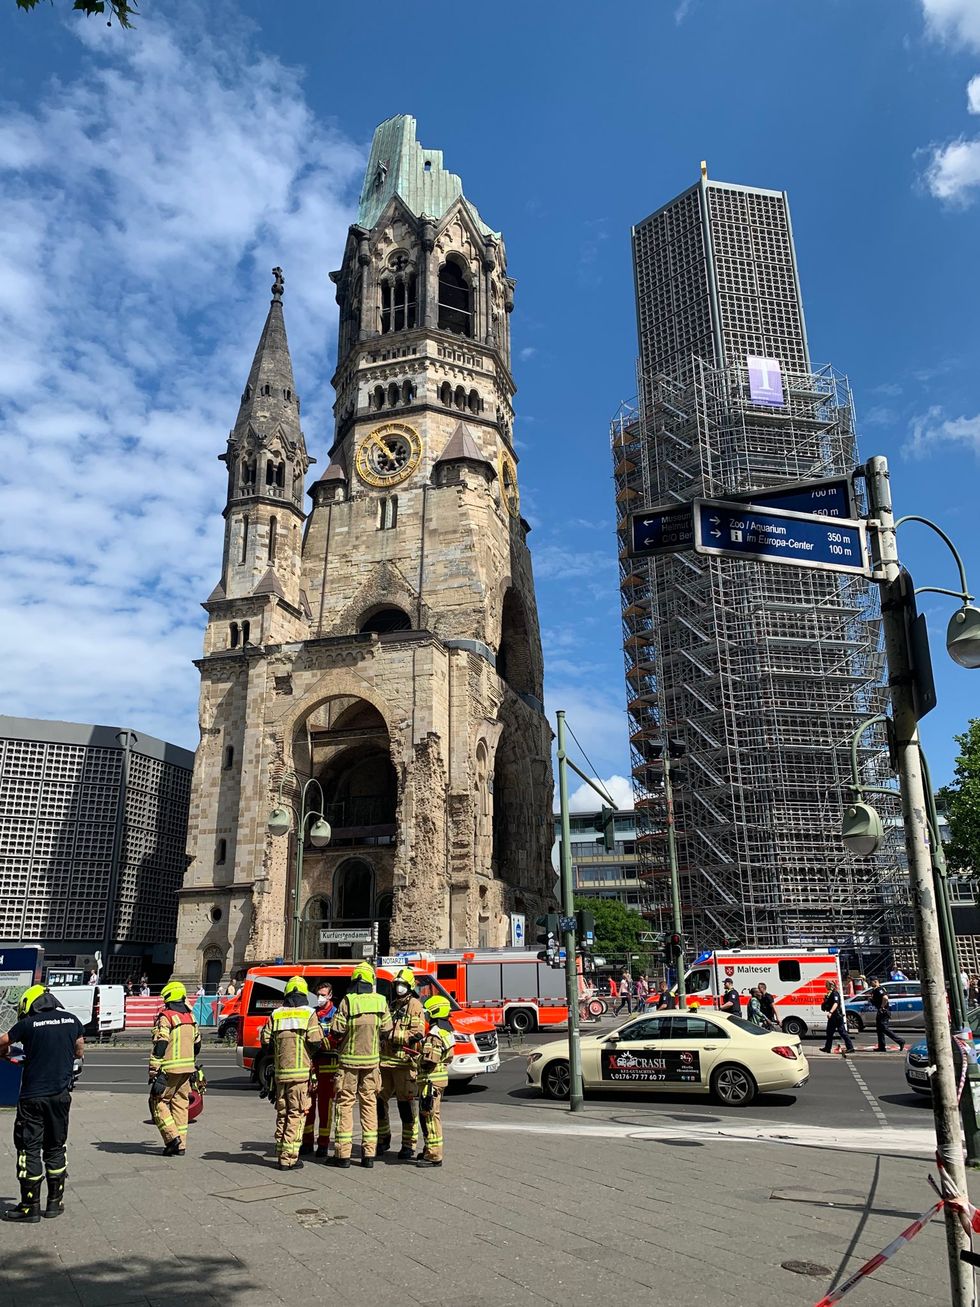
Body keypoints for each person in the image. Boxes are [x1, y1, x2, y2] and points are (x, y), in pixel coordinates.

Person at [0, 986, 84, 1223]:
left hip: (32, 1098)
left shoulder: (28, 1024)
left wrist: (6, 1053)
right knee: (56, 1146)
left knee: (29, 1149)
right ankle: (55, 1204)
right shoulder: (72, 1020)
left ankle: (30, 1207)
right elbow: (79, 1051)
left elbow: (3, 1042)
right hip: (60, 1096)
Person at [329, 962, 392, 1169]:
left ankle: (343, 1155)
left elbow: (336, 1029)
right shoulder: (381, 1001)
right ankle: (368, 1155)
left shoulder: (349, 1001)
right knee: (369, 1105)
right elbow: (387, 1029)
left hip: (348, 1062)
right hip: (372, 1062)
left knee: (345, 1105)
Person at [259, 975, 323, 1171]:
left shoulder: (276, 1014)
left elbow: (265, 1041)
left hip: (280, 1074)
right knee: (297, 1113)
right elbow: (316, 1041)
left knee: (282, 1113)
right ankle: (289, 1158)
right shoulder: (308, 1014)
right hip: (300, 1074)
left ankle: (280, 1151)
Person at [148, 980, 201, 1157]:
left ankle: (172, 1138)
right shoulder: (191, 1018)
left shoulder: (167, 1016)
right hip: (187, 1068)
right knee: (181, 1104)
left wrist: (155, 1068)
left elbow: (161, 1043)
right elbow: (197, 1045)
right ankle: (182, 1145)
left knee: (157, 1101)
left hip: (169, 1069)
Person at [377, 967, 425, 1161]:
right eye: (397, 985)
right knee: (379, 1100)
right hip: (386, 1063)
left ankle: (408, 1145)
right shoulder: (393, 1005)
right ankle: (383, 1137)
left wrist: (394, 1036)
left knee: (406, 1106)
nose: (399, 988)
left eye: (402, 985)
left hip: (405, 1064)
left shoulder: (415, 1006)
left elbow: (418, 1032)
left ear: (410, 987)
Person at [416, 994, 455, 1168]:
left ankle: (433, 1155)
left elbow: (430, 1059)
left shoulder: (435, 1034)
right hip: (439, 1080)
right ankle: (429, 1149)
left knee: (430, 1117)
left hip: (430, 1081)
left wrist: (417, 1058)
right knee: (430, 1115)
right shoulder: (447, 1031)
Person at [301, 983, 337, 1159]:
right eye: (318, 994)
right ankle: (307, 1141)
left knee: (325, 1106)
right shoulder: (312, 1013)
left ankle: (323, 1142)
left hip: (328, 1064)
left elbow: (337, 1037)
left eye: (323, 994)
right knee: (308, 1104)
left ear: (330, 996)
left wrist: (320, 1043)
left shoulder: (336, 1014)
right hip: (312, 1063)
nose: (320, 997)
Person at [868, 979, 905, 1053]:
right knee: (879, 1029)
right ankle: (881, 1046)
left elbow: (885, 998)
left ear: (875, 981)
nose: (870, 983)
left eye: (871, 981)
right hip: (880, 1011)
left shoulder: (879, 989)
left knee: (884, 1028)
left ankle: (900, 1041)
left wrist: (882, 1007)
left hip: (883, 1012)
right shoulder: (875, 990)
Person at [820, 979, 854, 1055]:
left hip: (836, 1015)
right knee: (829, 1032)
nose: (826, 986)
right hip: (833, 1016)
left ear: (831, 985)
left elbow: (835, 1003)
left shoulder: (835, 993)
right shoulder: (830, 993)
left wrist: (831, 1012)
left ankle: (850, 1047)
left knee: (842, 1032)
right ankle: (827, 1048)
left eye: (827, 984)